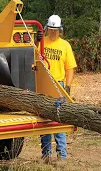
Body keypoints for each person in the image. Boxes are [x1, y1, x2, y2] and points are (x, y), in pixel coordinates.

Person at [34, 15, 77, 162]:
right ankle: (46, 155)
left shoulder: (65, 45)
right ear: (47, 29)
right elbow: (31, 55)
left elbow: (70, 67)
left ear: (60, 30)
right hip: (43, 84)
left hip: (58, 85)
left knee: (59, 120)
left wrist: (68, 86)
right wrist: (37, 40)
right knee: (44, 120)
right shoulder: (42, 43)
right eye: (51, 30)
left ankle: (62, 156)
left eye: (56, 30)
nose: (53, 32)